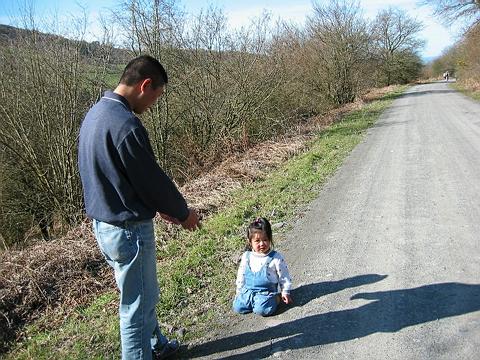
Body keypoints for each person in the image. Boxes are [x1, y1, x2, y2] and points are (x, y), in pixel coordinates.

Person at [78, 55, 200, 360]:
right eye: (156, 97)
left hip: (104, 224)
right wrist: (183, 213)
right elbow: (152, 180)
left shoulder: (95, 114)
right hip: (128, 230)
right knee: (136, 305)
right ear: (145, 85)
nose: (153, 105)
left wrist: (153, 204)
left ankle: (157, 345)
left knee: (140, 293)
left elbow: (119, 175)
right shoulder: (126, 125)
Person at [233, 217, 293, 316]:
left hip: (266, 293)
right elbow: (241, 275)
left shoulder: (275, 258)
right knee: (238, 307)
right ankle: (252, 302)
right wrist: (239, 291)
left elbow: (284, 276)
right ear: (250, 242)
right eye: (257, 241)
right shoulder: (247, 256)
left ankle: (276, 298)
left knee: (262, 310)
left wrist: (285, 291)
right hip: (248, 291)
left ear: (270, 239)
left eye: (265, 239)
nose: (262, 244)